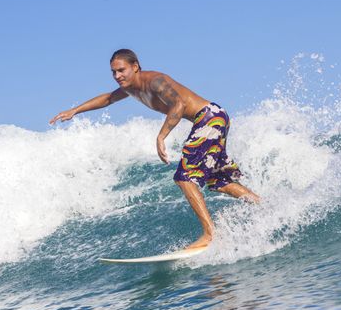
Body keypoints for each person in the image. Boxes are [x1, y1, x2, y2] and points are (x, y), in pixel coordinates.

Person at [50, 49, 260, 249]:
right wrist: (74, 110)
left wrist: (161, 136)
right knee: (219, 181)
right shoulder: (130, 89)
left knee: (184, 178)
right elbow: (107, 99)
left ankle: (210, 235)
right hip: (214, 117)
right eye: (113, 72)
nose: (117, 75)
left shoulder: (155, 81)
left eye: (121, 70)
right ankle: (264, 206)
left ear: (135, 66)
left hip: (209, 118)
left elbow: (178, 104)